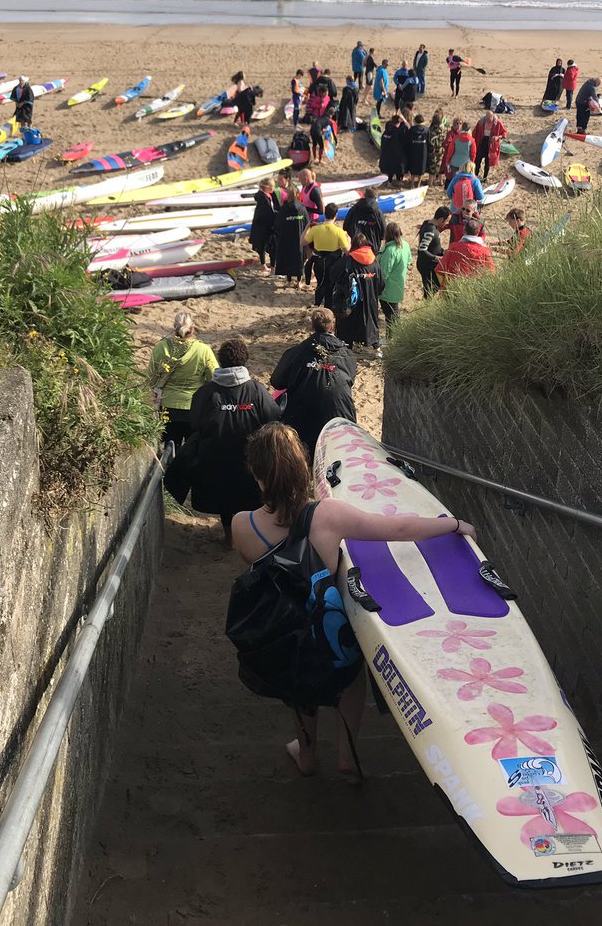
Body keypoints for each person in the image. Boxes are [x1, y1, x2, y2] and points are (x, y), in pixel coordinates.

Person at [231, 422, 476, 777]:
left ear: (259, 477)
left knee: (299, 687)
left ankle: (307, 755)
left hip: (283, 635)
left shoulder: (242, 525)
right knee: (349, 676)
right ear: (301, 467)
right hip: (327, 632)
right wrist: (453, 525)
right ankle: (347, 758)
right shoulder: (329, 517)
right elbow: (399, 530)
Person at [190, 337, 280, 545]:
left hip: (216, 455)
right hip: (250, 455)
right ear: (245, 361)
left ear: (220, 361)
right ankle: (249, 535)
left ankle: (229, 537)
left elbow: (195, 422)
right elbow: (273, 415)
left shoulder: (206, 392)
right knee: (251, 495)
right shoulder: (256, 390)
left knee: (225, 498)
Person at [270, 309, 357, 453]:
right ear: (333, 327)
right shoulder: (347, 354)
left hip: (303, 418)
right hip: (340, 415)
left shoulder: (297, 351)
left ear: (312, 326)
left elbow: (277, 381)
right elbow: (349, 380)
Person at [145, 312, 218, 449]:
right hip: (195, 407)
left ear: (174, 327)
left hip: (167, 406)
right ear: (193, 328)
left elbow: (150, 378)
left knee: (169, 445)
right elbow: (214, 377)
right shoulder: (203, 350)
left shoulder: (161, 348)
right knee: (193, 447)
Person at [329, 232, 384, 355]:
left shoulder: (347, 261)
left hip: (350, 304)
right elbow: (381, 283)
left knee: (347, 327)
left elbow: (333, 274)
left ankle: (347, 347)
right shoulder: (374, 262)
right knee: (371, 326)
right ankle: (376, 348)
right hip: (370, 303)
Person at [301, 203, 350, 307]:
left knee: (320, 283)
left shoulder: (315, 229)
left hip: (319, 262)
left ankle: (317, 304)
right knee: (331, 286)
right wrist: (348, 239)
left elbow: (302, 242)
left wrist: (306, 228)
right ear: (336, 215)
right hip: (334, 263)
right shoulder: (339, 231)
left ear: (324, 213)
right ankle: (328, 306)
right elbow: (347, 251)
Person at [378, 221, 412, 332]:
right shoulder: (405, 245)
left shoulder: (390, 250)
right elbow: (408, 262)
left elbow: (384, 273)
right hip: (398, 286)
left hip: (387, 290)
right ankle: (394, 338)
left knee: (391, 317)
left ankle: (393, 340)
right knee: (394, 314)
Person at [274, 182, 310, 287]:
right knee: (299, 259)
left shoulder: (284, 209)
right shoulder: (302, 208)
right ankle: (299, 282)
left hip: (286, 239)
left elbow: (278, 224)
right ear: (298, 194)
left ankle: (289, 281)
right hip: (299, 238)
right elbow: (308, 224)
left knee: (287, 258)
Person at [438, 218, 495, 283]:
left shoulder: (453, 247)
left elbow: (440, 269)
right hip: (476, 288)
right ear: (478, 232)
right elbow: (491, 274)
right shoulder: (485, 251)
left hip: (454, 286)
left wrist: (444, 287)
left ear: (464, 230)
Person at [416, 207, 450, 297]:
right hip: (427, 266)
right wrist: (436, 258)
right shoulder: (430, 230)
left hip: (428, 264)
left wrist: (443, 251)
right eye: (447, 221)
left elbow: (434, 246)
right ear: (441, 219)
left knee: (432, 290)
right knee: (430, 292)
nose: (447, 224)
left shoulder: (429, 225)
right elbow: (422, 250)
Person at [343, 186, 385, 254]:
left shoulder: (354, 209)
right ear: (376, 198)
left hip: (355, 247)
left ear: (364, 196)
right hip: (372, 249)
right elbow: (383, 232)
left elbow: (345, 227)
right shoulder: (378, 212)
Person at [249, 176, 278, 273]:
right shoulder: (263, 198)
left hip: (262, 225)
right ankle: (267, 267)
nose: (274, 188)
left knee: (263, 246)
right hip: (263, 226)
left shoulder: (267, 196)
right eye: (273, 186)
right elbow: (268, 213)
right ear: (268, 187)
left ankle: (264, 265)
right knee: (267, 246)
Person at [472, 109, 507, 181]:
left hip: (491, 144)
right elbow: (474, 133)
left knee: (488, 162)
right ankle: (475, 176)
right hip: (481, 142)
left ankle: (485, 178)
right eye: (486, 118)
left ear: (493, 117)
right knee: (477, 160)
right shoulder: (481, 122)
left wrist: (498, 137)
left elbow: (504, 133)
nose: (488, 121)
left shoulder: (497, 123)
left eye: (489, 119)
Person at [443, 118, 476, 186]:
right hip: (466, 163)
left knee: (455, 180)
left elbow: (450, 151)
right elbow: (473, 153)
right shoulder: (471, 140)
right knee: (464, 181)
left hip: (455, 162)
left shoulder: (456, 138)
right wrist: (472, 162)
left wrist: (448, 161)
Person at [379, 112, 407, 186]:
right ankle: (398, 180)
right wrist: (404, 120)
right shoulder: (397, 132)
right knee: (398, 167)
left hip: (387, 154)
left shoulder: (386, 132)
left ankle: (389, 182)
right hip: (396, 154)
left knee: (390, 168)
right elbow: (407, 129)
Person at [406, 114, 429, 187]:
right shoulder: (426, 129)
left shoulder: (412, 129)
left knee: (413, 168)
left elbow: (408, 140)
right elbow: (428, 140)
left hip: (413, 151)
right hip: (423, 151)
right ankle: (418, 184)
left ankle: (412, 184)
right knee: (421, 169)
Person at [428, 109, 447, 179]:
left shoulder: (431, 129)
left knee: (433, 164)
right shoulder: (444, 128)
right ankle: (440, 180)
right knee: (440, 164)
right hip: (441, 149)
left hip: (433, 149)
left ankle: (431, 180)